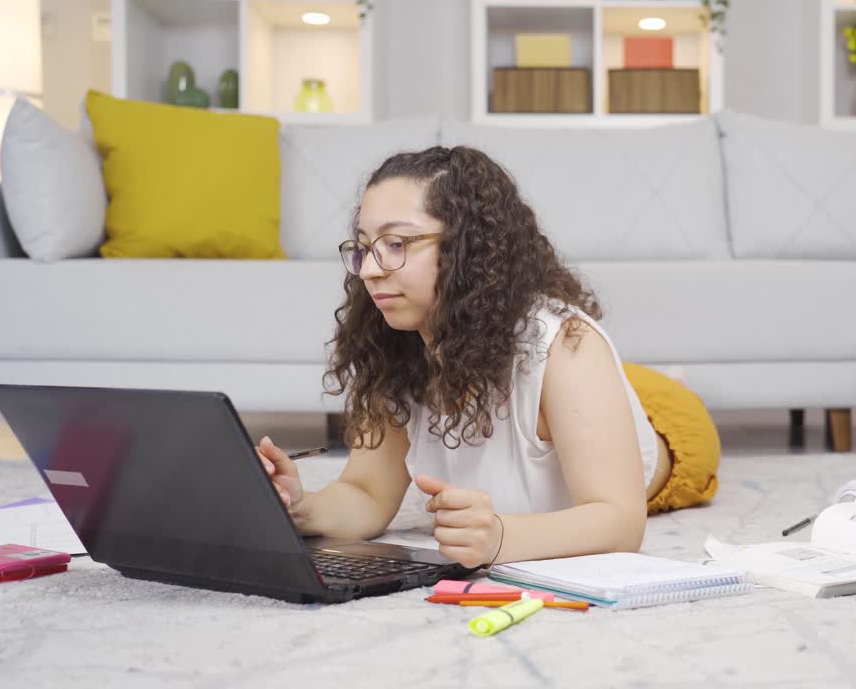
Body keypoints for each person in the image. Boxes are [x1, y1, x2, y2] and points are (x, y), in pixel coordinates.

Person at [256, 146, 720, 568]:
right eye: (364, 247)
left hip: (673, 427)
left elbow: (620, 521)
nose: (372, 270)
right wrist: (300, 507)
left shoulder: (565, 345)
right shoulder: (396, 344)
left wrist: (500, 536)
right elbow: (367, 492)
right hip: (567, 396)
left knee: (649, 406)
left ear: (465, 247)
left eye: (397, 244)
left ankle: (656, 387)